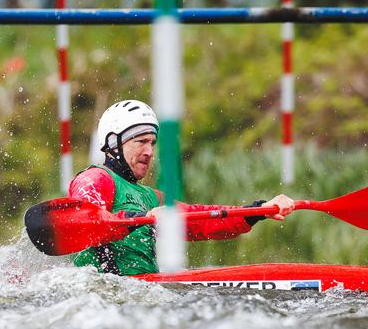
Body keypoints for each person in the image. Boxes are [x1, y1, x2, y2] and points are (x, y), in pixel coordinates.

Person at [68, 100, 295, 275]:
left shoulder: (150, 197)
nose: (149, 152)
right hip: (101, 293)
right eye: (141, 142)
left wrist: (259, 210)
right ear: (113, 144)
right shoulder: (95, 178)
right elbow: (85, 223)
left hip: (139, 292)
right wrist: (140, 217)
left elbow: (201, 220)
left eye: (152, 143)